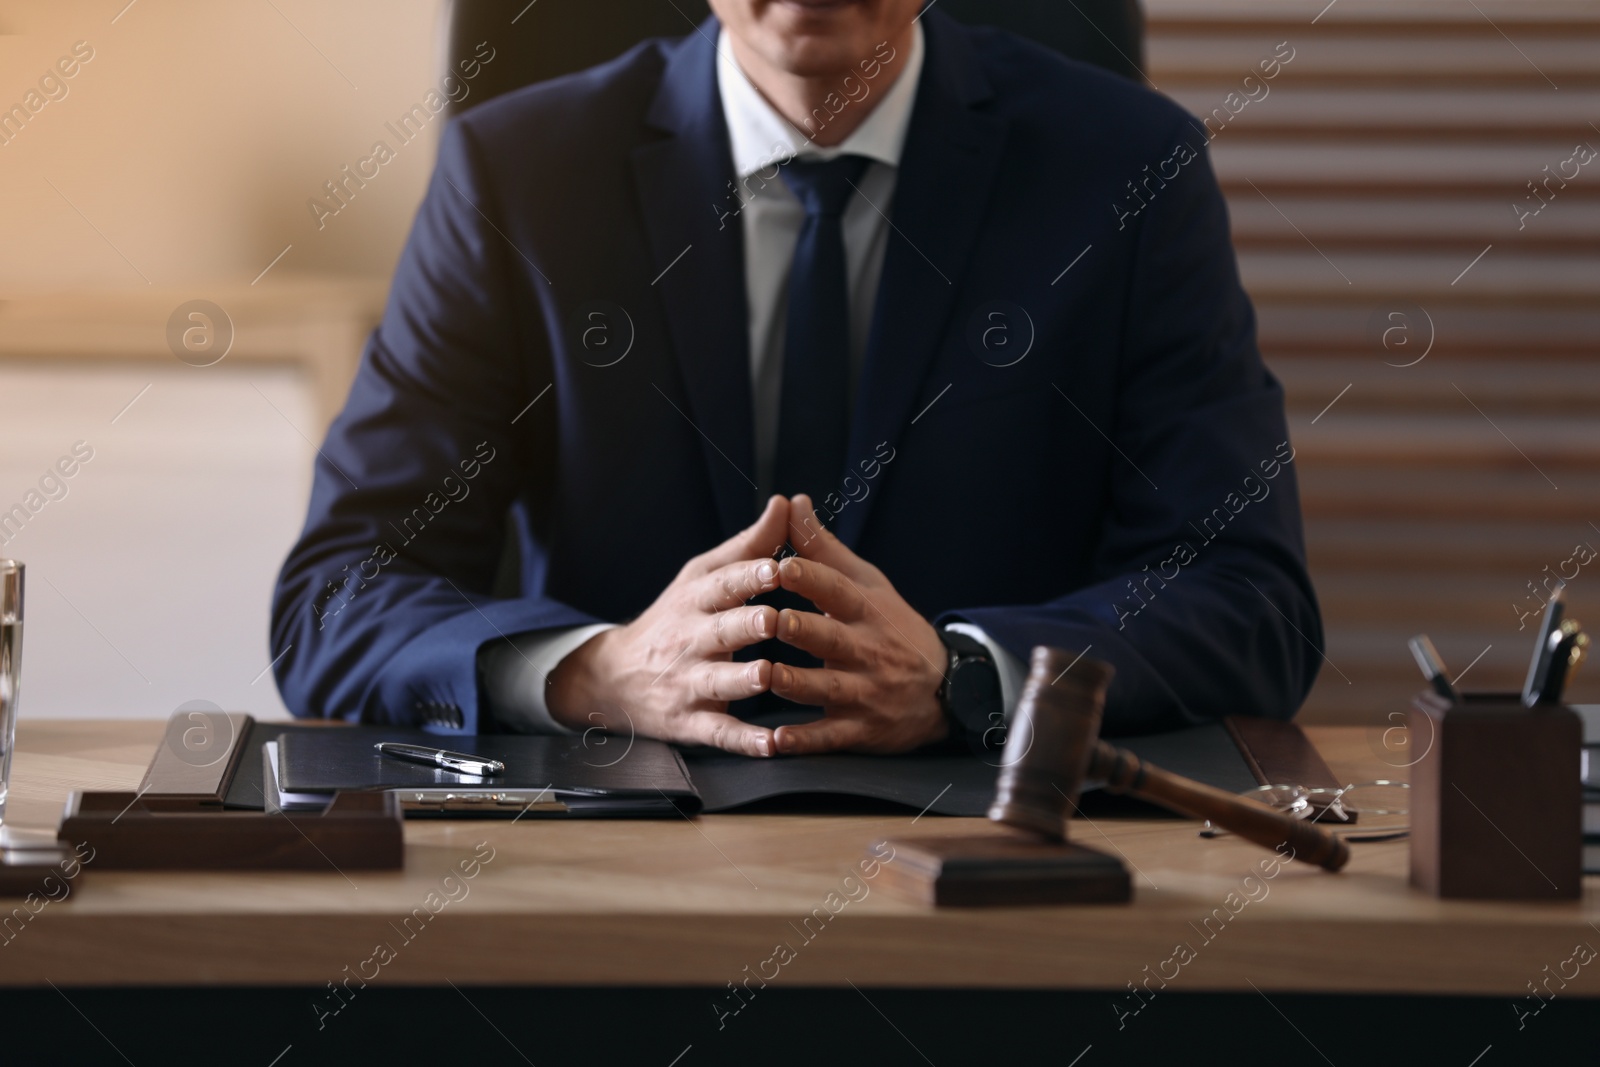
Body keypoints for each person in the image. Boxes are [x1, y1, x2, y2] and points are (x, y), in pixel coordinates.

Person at [270, 0, 1322, 761]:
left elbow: (1246, 595)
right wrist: (596, 673)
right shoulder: (515, 174)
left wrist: (964, 677)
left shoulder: (1132, 170)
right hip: (610, 842)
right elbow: (334, 597)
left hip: (989, 851)